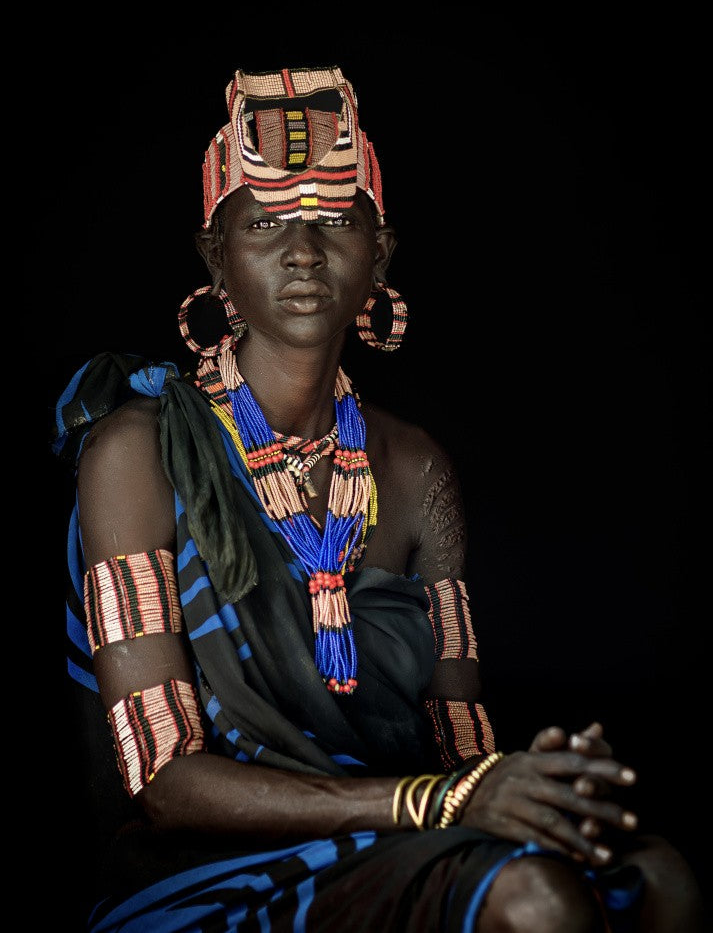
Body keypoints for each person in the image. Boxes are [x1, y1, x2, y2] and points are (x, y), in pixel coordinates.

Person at [52, 64, 705, 932]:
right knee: (534, 900)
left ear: (380, 252)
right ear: (216, 256)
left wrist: (537, 787)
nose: (301, 251)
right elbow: (165, 784)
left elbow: (461, 746)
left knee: (656, 877)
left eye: (333, 222)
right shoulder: (136, 453)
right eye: (265, 223)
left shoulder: (415, 469)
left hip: (401, 830)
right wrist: (440, 803)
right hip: (203, 867)